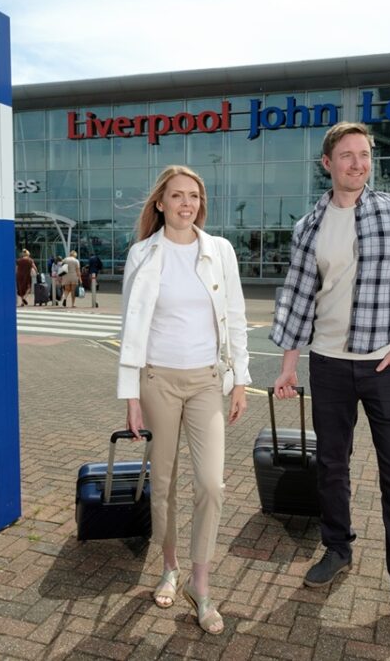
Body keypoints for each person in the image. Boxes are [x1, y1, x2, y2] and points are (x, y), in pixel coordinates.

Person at [270, 122, 390, 647]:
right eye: (346, 156)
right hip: (327, 363)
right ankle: (337, 548)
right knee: (331, 466)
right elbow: (299, 297)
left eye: (364, 155)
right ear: (328, 163)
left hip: (386, 366)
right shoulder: (310, 226)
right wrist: (288, 365)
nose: (357, 164)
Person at [118, 165, 250, 635]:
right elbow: (130, 330)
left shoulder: (220, 251)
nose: (186, 203)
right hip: (157, 379)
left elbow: (234, 316)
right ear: (161, 203)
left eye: (193, 196)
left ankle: (201, 582)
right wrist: (130, 395)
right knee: (166, 482)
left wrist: (240, 380)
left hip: (206, 381)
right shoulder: (142, 254)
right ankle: (169, 566)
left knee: (211, 484)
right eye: (177, 196)